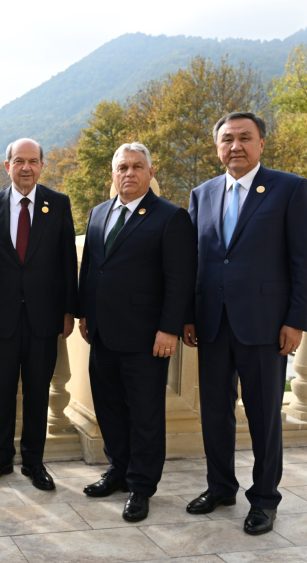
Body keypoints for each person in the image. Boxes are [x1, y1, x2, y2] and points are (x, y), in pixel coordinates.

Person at [183, 112, 307, 535]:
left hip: (264, 325)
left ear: (262, 143)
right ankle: (220, 486)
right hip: (212, 324)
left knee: (264, 417)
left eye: (245, 138)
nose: (236, 146)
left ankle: (264, 499)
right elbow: (194, 262)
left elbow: (304, 260)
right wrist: (188, 315)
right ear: (217, 146)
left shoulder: (290, 188)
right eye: (227, 139)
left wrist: (296, 320)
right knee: (214, 414)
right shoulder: (201, 194)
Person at [77, 143, 195, 522]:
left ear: (150, 171)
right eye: (122, 167)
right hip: (102, 335)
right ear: (112, 173)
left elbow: (179, 281)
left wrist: (169, 329)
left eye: (137, 166)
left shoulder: (170, 217)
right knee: (109, 409)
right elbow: (92, 269)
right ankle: (118, 470)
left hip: (147, 338)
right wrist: (83, 314)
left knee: (144, 415)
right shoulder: (98, 213)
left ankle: (141, 486)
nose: (129, 173)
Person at [0, 138, 77, 490]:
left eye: (33, 161)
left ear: (42, 165)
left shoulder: (58, 204)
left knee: (37, 391)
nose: (26, 168)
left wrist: (69, 311)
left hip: (45, 318)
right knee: (1, 391)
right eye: (19, 161)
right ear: (8, 166)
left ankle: (34, 462)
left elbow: (68, 262)